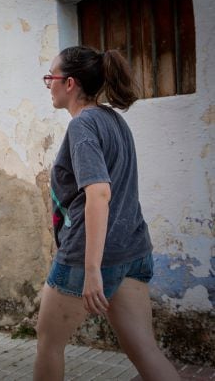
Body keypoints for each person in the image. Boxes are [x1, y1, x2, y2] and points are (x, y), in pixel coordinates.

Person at [33, 47, 179, 381]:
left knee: (49, 344)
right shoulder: (115, 121)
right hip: (133, 250)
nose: (48, 86)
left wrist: (92, 269)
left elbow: (99, 193)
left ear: (69, 83)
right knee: (146, 350)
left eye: (50, 78)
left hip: (91, 255)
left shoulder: (83, 125)